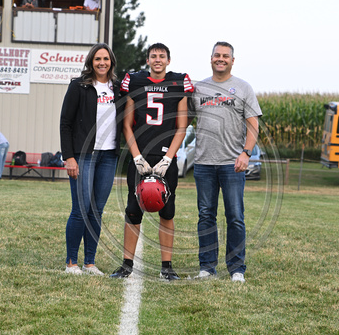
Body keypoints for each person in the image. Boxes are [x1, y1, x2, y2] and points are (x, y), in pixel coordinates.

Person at [110, 43, 194, 281]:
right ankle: (127, 265)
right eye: (153, 56)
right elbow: (126, 124)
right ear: (147, 60)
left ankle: (166, 267)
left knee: (167, 212)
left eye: (162, 56)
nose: (157, 59)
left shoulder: (179, 82)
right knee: (133, 211)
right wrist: (136, 156)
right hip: (140, 156)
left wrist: (168, 159)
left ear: (169, 60)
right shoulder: (134, 81)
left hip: (165, 157)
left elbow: (182, 126)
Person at [191, 42, 262, 283]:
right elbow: (180, 118)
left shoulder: (243, 88)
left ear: (233, 60)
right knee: (206, 216)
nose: (220, 59)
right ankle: (207, 267)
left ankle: (236, 268)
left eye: (225, 56)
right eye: (217, 55)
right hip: (203, 163)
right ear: (210, 58)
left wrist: (246, 153)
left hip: (233, 164)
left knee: (235, 216)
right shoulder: (198, 88)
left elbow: (253, 125)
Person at [59, 43, 123, 275]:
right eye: (97, 59)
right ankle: (71, 263)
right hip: (83, 156)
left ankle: (89, 262)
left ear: (111, 62)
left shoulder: (118, 88)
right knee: (80, 209)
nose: (102, 63)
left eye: (106, 59)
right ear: (91, 61)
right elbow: (65, 123)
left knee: (97, 210)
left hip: (108, 156)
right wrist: (69, 157)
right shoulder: (78, 86)